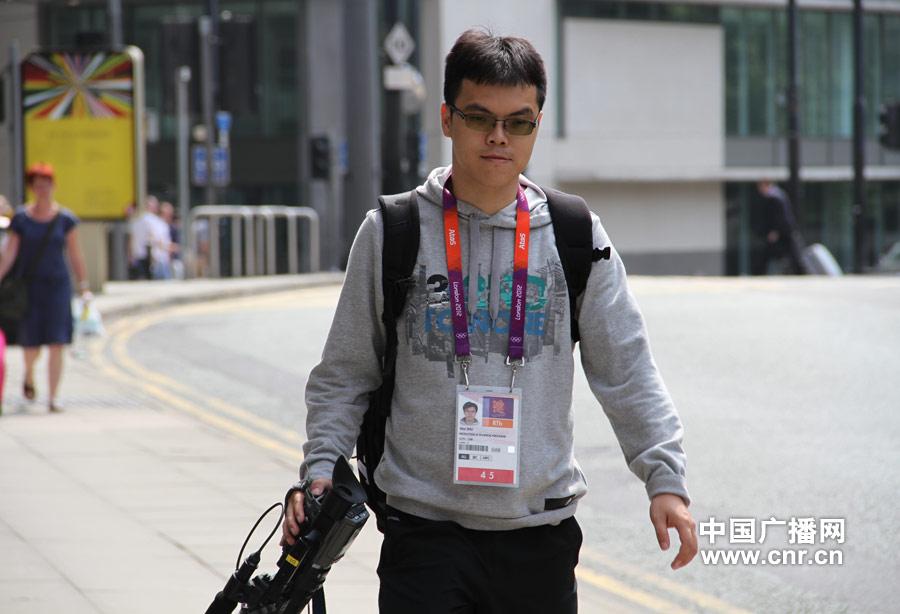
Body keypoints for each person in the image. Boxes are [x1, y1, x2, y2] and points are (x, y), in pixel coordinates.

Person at [283, 29, 697, 613]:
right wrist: (321, 467)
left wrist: (665, 479)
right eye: (479, 118)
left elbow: (627, 368)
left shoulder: (576, 235)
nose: (499, 136)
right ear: (448, 119)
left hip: (540, 536)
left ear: (537, 124)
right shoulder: (392, 232)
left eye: (519, 122)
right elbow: (345, 372)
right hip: (423, 534)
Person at [0, 163, 91, 413]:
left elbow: (76, 255)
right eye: (38, 186)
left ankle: (53, 397)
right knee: (31, 343)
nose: (42, 190)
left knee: (57, 341)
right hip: (29, 287)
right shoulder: (21, 219)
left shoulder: (65, 219)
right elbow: (9, 254)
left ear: (54, 186)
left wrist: (84, 286)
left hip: (58, 286)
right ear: (31, 188)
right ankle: (29, 374)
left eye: (46, 185)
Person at [753, 180, 808, 275]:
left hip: (783, 232)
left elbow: (778, 217)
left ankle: (801, 272)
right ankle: (801, 272)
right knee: (772, 253)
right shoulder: (779, 195)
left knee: (791, 253)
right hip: (784, 231)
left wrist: (775, 231)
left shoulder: (774, 197)